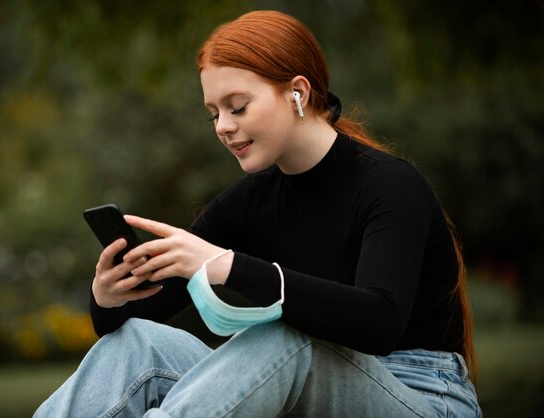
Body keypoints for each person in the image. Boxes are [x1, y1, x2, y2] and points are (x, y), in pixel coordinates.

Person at [35, 10, 481, 418]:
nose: (223, 126)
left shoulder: (389, 184)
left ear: (298, 93)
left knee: (284, 333)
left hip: (423, 394)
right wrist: (108, 297)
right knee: (138, 344)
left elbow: (379, 322)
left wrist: (226, 265)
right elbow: (146, 313)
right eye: (213, 114)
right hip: (309, 378)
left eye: (238, 106)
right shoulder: (248, 202)